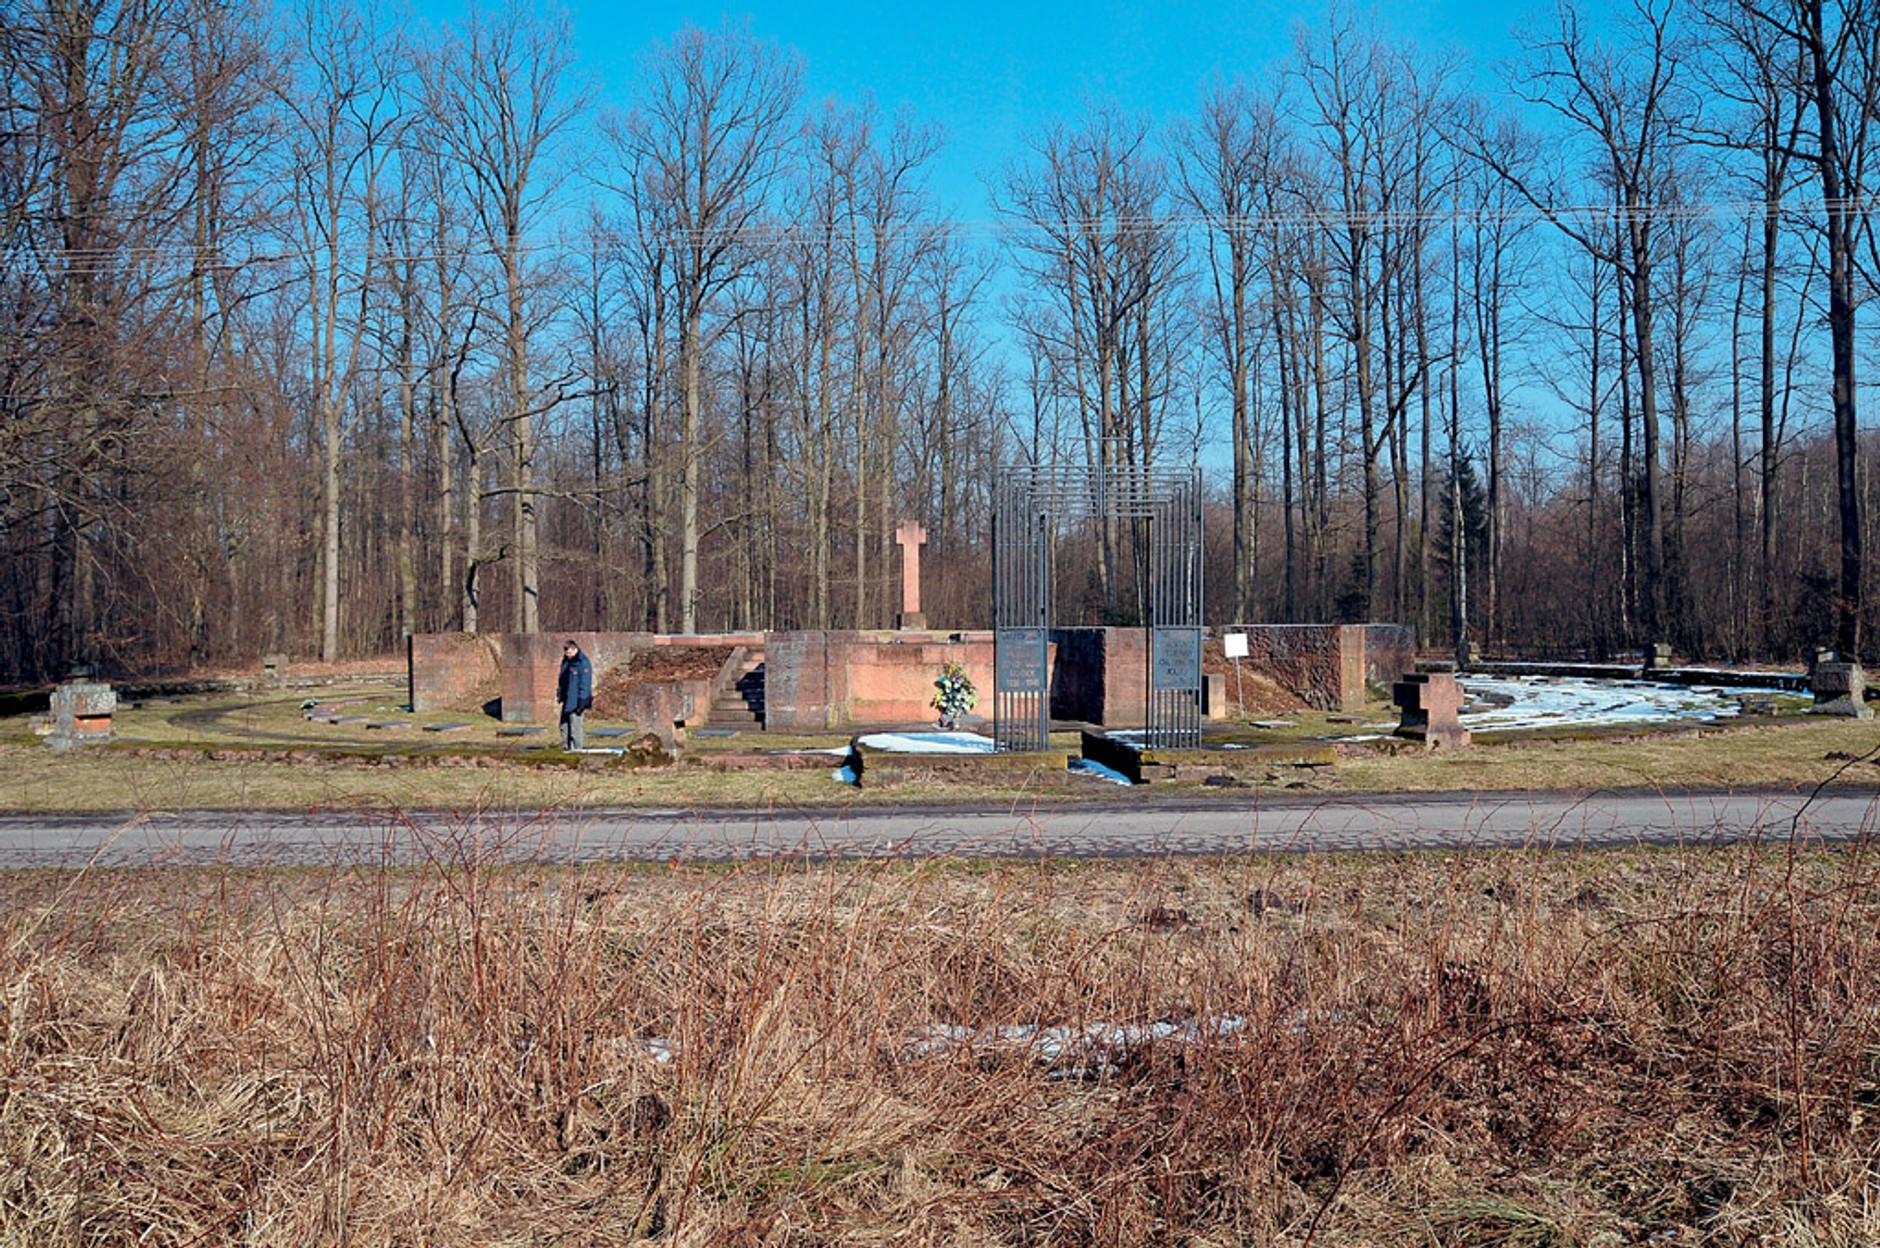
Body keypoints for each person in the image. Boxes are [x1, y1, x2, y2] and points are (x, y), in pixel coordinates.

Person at [557, 638, 592, 751]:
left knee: (576, 727)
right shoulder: (566, 662)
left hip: (576, 700)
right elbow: (563, 680)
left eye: (569, 652)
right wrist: (560, 694)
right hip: (567, 698)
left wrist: (582, 701)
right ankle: (566, 747)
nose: (568, 655)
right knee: (564, 726)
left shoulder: (582, 662)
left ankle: (577, 749)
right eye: (566, 653)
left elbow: (585, 684)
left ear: (574, 649)